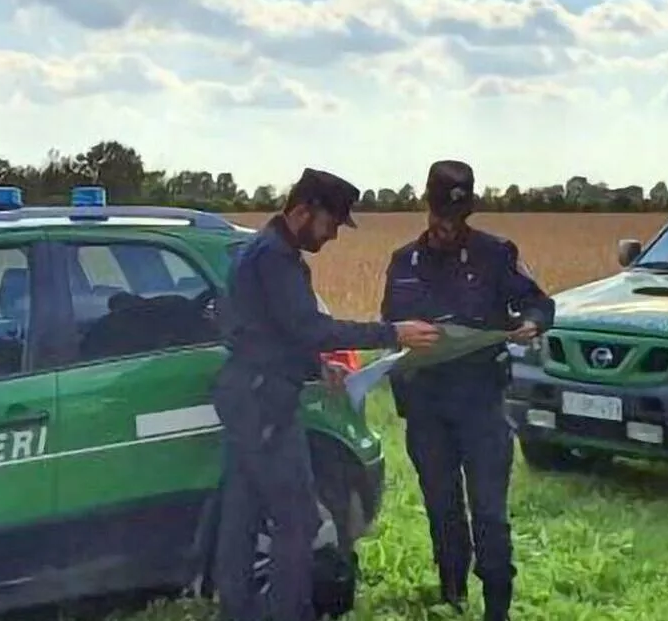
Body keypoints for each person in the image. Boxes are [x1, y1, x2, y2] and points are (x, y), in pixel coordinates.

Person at [212, 167, 442, 621]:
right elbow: (309, 326)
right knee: (298, 520)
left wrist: (316, 366)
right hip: (265, 402)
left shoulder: (253, 250)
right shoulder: (276, 258)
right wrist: (392, 332)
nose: (334, 234)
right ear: (303, 211)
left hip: (245, 392)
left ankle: (237, 611)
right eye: (332, 222)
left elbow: (264, 329)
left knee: (242, 512)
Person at [379, 160, 555, 621]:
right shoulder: (403, 263)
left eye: (456, 219)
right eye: (440, 217)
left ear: (468, 212)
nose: (447, 228)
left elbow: (538, 301)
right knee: (441, 505)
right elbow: (387, 326)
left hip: (480, 401)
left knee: (489, 511)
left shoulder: (496, 254)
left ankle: (497, 605)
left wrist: (531, 324)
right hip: (426, 404)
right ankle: (452, 592)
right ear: (427, 207)